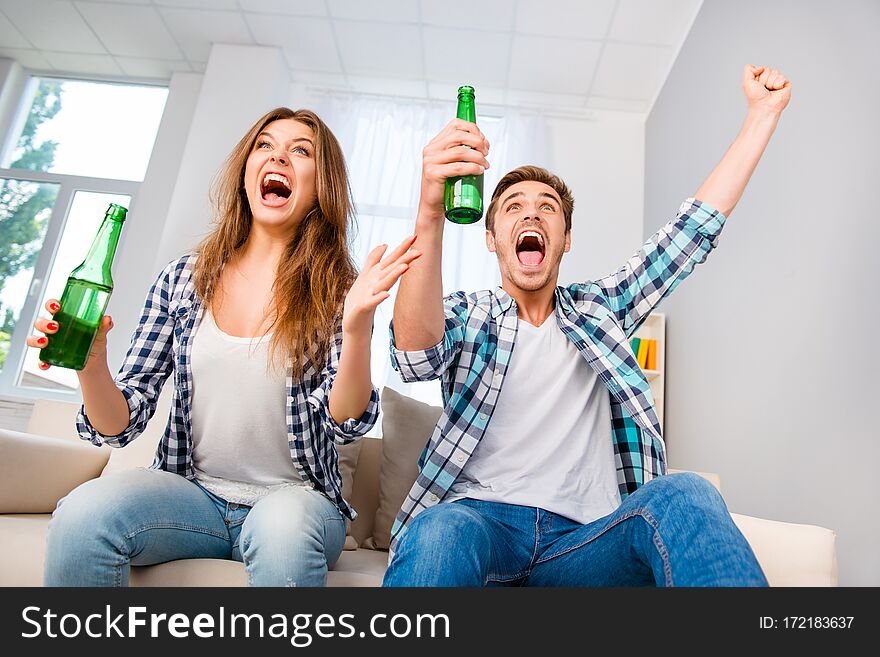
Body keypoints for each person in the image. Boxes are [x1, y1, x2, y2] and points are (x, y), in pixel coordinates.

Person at [383, 65, 791, 587]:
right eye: (512, 208)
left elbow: (689, 234)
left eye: (546, 208)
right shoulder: (469, 313)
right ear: (492, 238)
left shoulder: (603, 310)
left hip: (583, 542)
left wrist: (761, 115)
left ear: (565, 238)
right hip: (479, 524)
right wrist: (429, 210)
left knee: (686, 492)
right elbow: (414, 356)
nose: (531, 216)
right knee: (438, 530)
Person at [28, 107, 419, 587]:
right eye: (265, 145)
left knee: (282, 529)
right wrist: (91, 365)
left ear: (322, 188)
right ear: (246, 173)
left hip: (296, 499)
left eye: (301, 150)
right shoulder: (183, 280)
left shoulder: (337, 289)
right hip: (193, 497)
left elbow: (348, 421)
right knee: (82, 514)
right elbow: (117, 428)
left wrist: (358, 326)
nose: (279, 156)